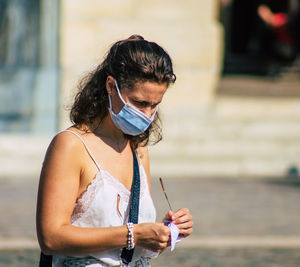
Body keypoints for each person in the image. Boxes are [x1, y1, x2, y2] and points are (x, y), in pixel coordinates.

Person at [36, 35, 194, 267]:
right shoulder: (71, 145)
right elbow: (50, 238)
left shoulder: (138, 147)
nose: (148, 114)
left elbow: (134, 234)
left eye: (155, 104)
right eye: (139, 103)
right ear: (111, 86)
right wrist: (134, 234)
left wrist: (165, 231)